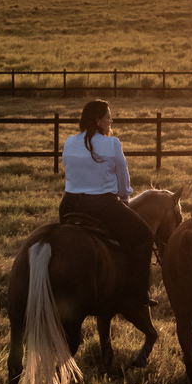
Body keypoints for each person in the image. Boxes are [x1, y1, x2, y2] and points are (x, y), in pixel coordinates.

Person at [60, 99, 156, 309]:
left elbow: (71, 172)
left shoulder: (69, 141)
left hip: (68, 205)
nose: (111, 120)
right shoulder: (112, 144)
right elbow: (123, 176)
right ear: (98, 120)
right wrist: (124, 199)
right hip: (101, 205)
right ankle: (137, 295)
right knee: (144, 237)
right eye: (108, 117)